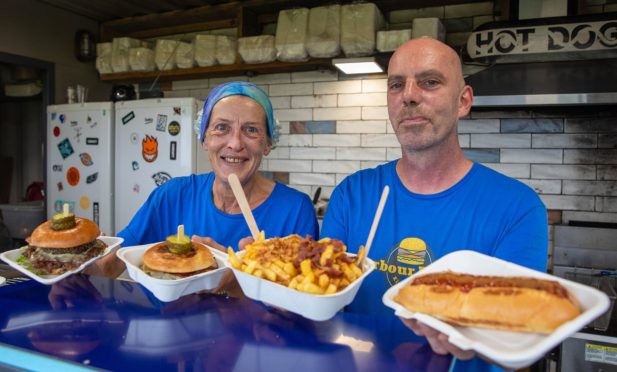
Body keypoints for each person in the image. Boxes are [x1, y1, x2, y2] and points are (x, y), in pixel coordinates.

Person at [321, 38, 548, 371]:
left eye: (429, 82)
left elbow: (519, 342)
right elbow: (322, 305)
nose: (409, 95)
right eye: (396, 85)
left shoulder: (518, 209)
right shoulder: (351, 195)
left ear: (463, 101)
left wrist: (478, 339)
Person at [92, 82, 318, 277]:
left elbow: (300, 303)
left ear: (268, 143)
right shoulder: (172, 196)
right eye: (222, 128)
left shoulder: (295, 210)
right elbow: (109, 267)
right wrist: (81, 258)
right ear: (204, 138)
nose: (235, 143)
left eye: (251, 129)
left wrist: (231, 271)